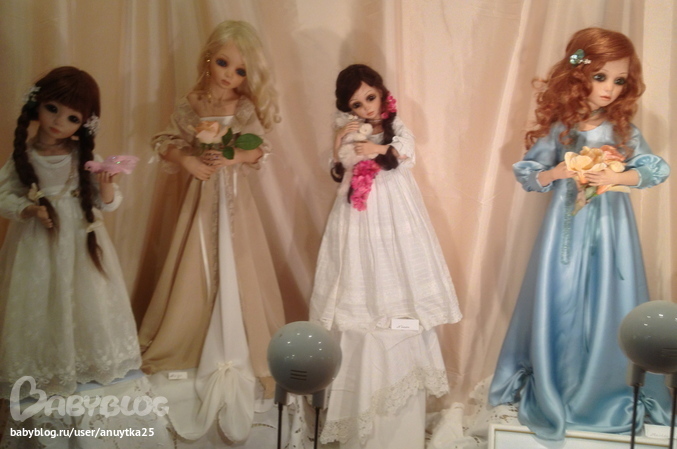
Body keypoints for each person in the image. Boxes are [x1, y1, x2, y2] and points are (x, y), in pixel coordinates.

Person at [488, 28, 671, 440]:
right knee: (562, 295)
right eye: (600, 77)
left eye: (619, 80)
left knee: (611, 297)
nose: (608, 89)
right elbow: (529, 174)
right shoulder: (563, 130)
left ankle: (607, 386)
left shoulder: (623, 130)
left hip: (611, 228)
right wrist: (558, 172)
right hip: (566, 230)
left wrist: (618, 175)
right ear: (578, 75)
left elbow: (655, 168)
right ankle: (562, 382)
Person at [135, 20, 285, 441]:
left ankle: (240, 331)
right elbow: (165, 140)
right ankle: (191, 334)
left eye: (240, 70)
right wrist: (188, 160)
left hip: (235, 198)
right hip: (201, 195)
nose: (229, 76)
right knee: (194, 261)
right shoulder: (193, 104)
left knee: (240, 261)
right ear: (208, 59)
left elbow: (259, 149)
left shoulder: (244, 107)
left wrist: (234, 157)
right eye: (223, 63)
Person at [309, 64, 462, 449]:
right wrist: (340, 143)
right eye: (357, 104)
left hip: (395, 204)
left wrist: (377, 149)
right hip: (357, 211)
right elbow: (341, 168)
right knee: (359, 259)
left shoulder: (395, 124)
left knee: (398, 256)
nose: (366, 109)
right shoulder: (350, 129)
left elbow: (406, 152)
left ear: (381, 92)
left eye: (371, 98)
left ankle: (399, 306)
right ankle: (366, 306)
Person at [0, 66, 141, 400]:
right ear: (37, 103)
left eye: (72, 118)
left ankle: (86, 360)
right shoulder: (24, 156)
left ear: (85, 124)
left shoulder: (84, 157)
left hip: (80, 238)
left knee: (85, 296)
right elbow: (3, 194)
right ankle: (45, 364)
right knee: (41, 299)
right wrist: (29, 210)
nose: (58, 121)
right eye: (52, 108)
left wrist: (106, 187)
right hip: (38, 240)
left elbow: (108, 204)